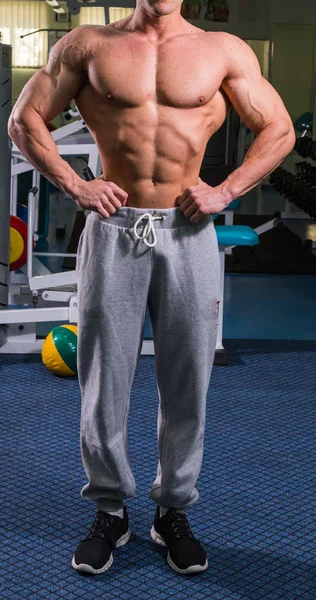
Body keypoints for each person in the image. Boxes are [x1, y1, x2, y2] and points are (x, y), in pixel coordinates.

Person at [8, 0, 295, 577]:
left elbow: (280, 128)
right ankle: (110, 509)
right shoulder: (88, 45)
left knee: (188, 376)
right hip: (114, 228)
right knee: (103, 375)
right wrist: (75, 184)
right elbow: (23, 120)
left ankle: (172, 510)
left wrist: (226, 191)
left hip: (188, 230)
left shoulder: (223, 51)